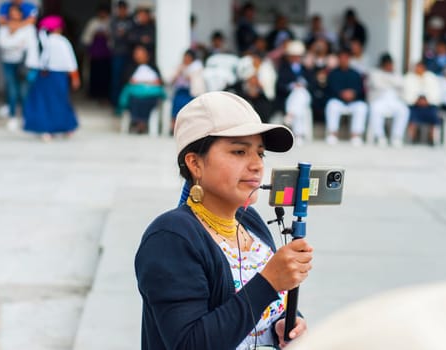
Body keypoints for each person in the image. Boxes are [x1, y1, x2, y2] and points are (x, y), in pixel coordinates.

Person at [135, 91, 313, 349]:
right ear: (195, 163)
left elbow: (260, 311)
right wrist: (269, 282)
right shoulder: (171, 237)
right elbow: (189, 344)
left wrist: (285, 323)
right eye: (239, 151)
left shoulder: (249, 221)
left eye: (260, 154)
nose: (256, 165)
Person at [23, 15, 80, 142]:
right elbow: (70, 62)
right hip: (58, 76)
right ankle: (65, 127)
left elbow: (31, 62)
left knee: (43, 103)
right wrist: (75, 78)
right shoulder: (61, 41)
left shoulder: (38, 40)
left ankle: (46, 130)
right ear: (58, 28)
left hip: (42, 76)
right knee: (60, 101)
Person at [0, 4, 36, 131]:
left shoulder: (28, 28)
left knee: (24, 91)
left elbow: (29, 46)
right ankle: (13, 117)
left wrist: (12, 42)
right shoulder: (3, 28)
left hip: (22, 63)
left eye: (16, 13)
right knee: (12, 90)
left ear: (20, 14)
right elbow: (2, 44)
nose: (14, 15)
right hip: (8, 62)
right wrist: (17, 43)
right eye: (11, 13)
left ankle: (25, 117)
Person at [324, 47, 368, 146]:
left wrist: (353, 94)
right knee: (332, 105)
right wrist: (341, 93)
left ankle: (356, 135)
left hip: (353, 102)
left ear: (349, 59)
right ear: (338, 59)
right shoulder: (333, 73)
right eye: (341, 58)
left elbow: (361, 90)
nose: (344, 60)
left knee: (362, 107)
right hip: (338, 101)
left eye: (346, 58)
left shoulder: (356, 74)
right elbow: (329, 89)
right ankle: (332, 134)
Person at [117, 45, 166, 134]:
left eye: (140, 53)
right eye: (136, 53)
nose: (138, 56)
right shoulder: (130, 66)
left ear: (146, 55)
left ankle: (143, 123)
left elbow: (160, 81)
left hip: (151, 95)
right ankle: (137, 122)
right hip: (135, 95)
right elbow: (127, 80)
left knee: (149, 101)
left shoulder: (153, 66)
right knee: (134, 100)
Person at [367, 53, 409, 147]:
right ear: (382, 65)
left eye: (391, 64)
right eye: (387, 64)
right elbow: (377, 84)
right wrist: (393, 83)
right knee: (375, 110)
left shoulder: (396, 74)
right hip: (379, 99)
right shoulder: (375, 73)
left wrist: (389, 82)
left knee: (403, 110)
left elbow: (402, 85)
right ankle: (380, 136)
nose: (390, 66)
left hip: (394, 100)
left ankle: (396, 137)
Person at [403, 61, 441, 144]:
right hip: (414, 104)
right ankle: (410, 139)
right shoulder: (409, 77)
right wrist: (415, 100)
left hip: (429, 104)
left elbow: (436, 92)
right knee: (411, 116)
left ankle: (432, 138)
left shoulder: (431, 77)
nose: (418, 69)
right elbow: (406, 92)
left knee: (433, 115)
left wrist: (428, 100)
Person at [169, 49, 205, 132]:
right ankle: (173, 127)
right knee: (176, 104)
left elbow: (192, 79)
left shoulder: (197, 67)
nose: (186, 59)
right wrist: (178, 71)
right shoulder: (179, 66)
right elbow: (170, 80)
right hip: (179, 92)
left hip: (191, 93)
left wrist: (184, 71)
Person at [81, 5, 111, 103]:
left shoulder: (110, 22)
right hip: (95, 53)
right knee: (94, 74)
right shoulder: (93, 22)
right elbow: (86, 38)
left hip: (106, 53)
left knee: (105, 75)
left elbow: (113, 38)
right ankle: (93, 93)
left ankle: (104, 94)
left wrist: (106, 35)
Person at [110, 0, 133, 110]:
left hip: (129, 54)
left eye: (124, 9)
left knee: (128, 78)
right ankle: (116, 104)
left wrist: (125, 34)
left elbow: (132, 36)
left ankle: (126, 104)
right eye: (120, 9)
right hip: (117, 53)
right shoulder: (114, 21)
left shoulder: (131, 20)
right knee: (116, 79)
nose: (122, 11)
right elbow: (115, 36)